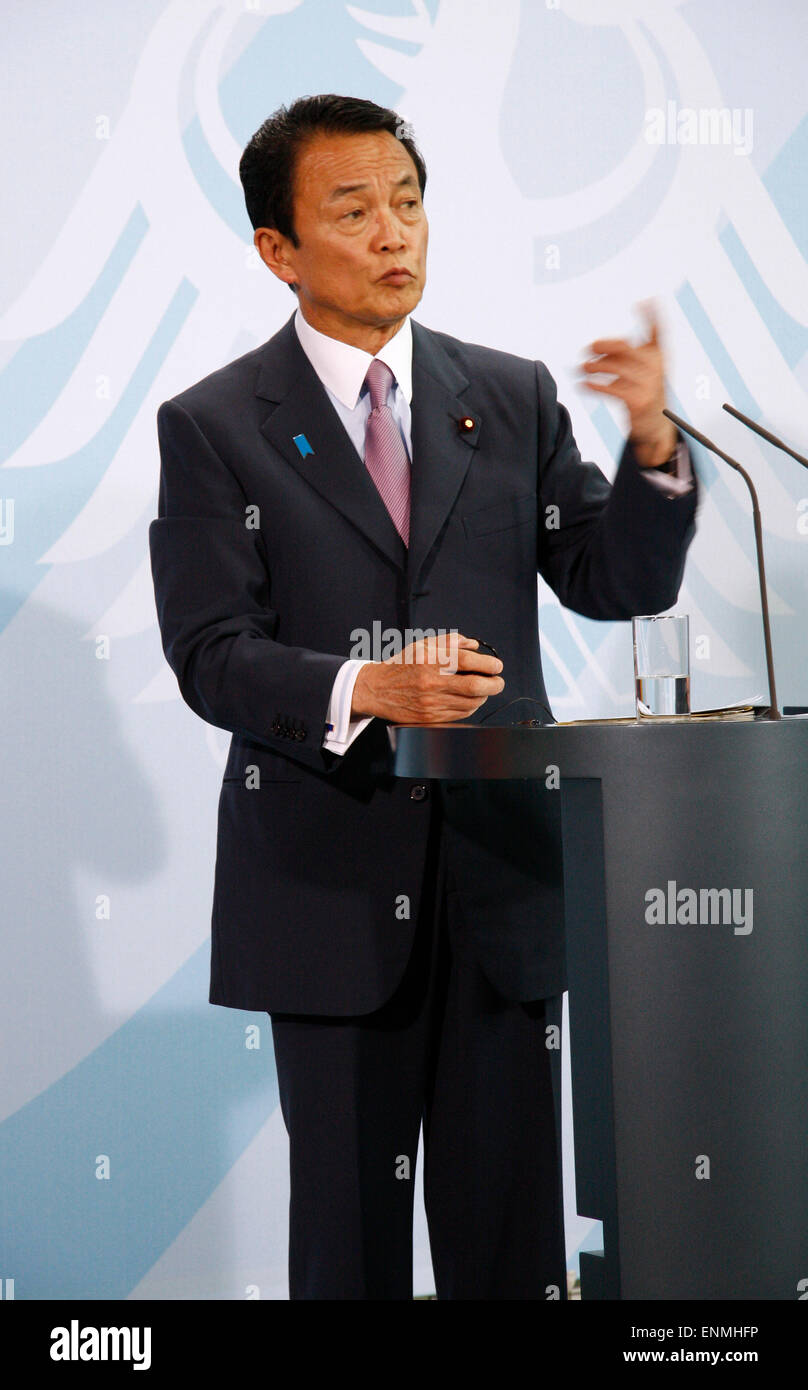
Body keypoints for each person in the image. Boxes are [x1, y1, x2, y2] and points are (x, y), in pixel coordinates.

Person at [149, 94, 698, 1300]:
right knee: (346, 1250)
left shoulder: (508, 396)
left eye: (407, 201)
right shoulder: (215, 428)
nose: (395, 230)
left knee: (508, 1248)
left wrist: (653, 446)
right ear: (278, 251)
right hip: (327, 894)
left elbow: (612, 580)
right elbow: (208, 650)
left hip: (503, 888)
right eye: (353, 209)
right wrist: (362, 685)